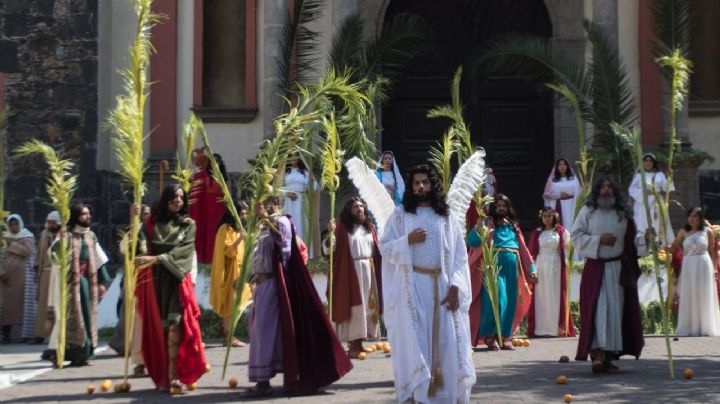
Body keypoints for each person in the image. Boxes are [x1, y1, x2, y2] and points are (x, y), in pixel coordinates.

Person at [379, 164, 475, 403]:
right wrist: (407, 240)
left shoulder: (446, 216)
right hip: (414, 288)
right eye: (416, 183)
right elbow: (385, 247)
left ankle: (445, 394)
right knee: (417, 340)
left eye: (425, 182)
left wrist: (456, 286)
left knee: (447, 341)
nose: (421, 187)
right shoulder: (401, 215)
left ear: (433, 185)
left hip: (443, 285)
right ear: (411, 187)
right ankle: (420, 393)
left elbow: (460, 256)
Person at [245, 195, 352, 397]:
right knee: (260, 331)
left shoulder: (283, 221)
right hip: (260, 286)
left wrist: (266, 219)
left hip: (275, 286)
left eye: (269, 203)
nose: (264, 206)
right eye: (260, 203)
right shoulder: (259, 227)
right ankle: (266, 377)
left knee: (264, 333)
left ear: (277, 204)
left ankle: (263, 382)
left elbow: (284, 244)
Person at [572, 175, 649, 374]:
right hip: (595, 270)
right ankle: (596, 355)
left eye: (610, 186)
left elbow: (633, 240)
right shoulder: (588, 211)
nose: (606, 189)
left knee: (615, 313)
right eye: (603, 186)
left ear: (615, 190)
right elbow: (576, 236)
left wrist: (646, 238)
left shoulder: (623, 213)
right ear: (597, 190)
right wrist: (598, 240)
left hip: (617, 271)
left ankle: (608, 357)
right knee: (598, 312)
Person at [134, 184, 207, 392]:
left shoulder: (188, 225)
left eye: (181, 197)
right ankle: (164, 376)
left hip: (176, 280)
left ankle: (174, 376)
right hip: (155, 282)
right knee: (161, 328)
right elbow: (141, 246)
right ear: (165, 199)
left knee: (176, 325)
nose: (178, 201)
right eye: (174, 197)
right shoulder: (150, 223)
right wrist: (135, 223)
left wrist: (155, 258)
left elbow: (183, 253)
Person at [42, 204, 110, 366]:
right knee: (73, 320)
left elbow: (99, 259)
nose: (88, 217)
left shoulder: (91, 235)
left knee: (87, 317)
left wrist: (101, 281)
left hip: (88, 281)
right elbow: (53, 255)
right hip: (70, 284)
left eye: (88, 214)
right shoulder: (67, 235)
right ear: (75, 216)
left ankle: (84, 354)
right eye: (84, 215)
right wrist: (61, 241)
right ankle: (70, 353)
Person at [467, 194, 536, 350]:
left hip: (512, 268)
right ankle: (490, 336)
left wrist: (531, 268)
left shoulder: (513, 226)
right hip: (493, 266)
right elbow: (471, 241)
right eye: (498, 205)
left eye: (504, 205)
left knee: (510, 302)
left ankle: (505, 336)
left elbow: (523, 249)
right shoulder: (486, 223)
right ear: (493, 208)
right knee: (497, 300)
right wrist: (478, 228)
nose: (501, 208)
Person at [326, 197, 382, 358]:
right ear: (349, 210)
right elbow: (330, 249)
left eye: (361, 206)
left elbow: (377, 248)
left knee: (368, 307)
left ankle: (360, 342)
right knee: (356, 306)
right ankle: (353, 344)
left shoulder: (370, 228)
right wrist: (330, 234)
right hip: (352, 271)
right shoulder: (342, 228)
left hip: (369, 270)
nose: (359, 209)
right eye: (355, 206)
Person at [671, 207, 720, 336]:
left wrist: (715, 268)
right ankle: (689, 326)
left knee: (703, 293)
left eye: (695, 216)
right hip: (688, 266)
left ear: (700, 218)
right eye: (690, 216)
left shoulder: (708, 232)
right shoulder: (683, 232)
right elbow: (673, 247)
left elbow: (712, 251)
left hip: (704, 264)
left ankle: (705, 326)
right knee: (689, 293)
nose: (691, 219)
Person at [527, 207, 575, 337]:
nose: (547, 219)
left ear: (555, 217)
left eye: (549, 216)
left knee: (555, 295)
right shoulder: (536, 233)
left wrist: (566, 262)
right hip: (541, 264)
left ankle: (556, 329)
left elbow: (568, 248)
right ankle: (540, 329)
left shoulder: (561, 231)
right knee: (541, 296)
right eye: (544, 216)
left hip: (556, 266)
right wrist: (532, 269)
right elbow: (531, 252)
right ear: (541, 217)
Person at [210, 201, 247, 347]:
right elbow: (227, 252)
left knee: (236, 306)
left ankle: (227, 332)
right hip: (229, 275)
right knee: (230, 307)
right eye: (242, 214)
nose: (244, 217)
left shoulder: (239, 229)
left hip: (240, 274)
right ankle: (228, 337)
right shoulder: (224, 229)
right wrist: (240, 239)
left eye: (245, 214)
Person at [189, 148, 228, 264]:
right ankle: (205, 257)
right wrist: (199, 154)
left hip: (219, 209)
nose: (215, 164)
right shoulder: (203, 174)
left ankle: (216, 256)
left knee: (216, 233)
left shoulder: (224, 178)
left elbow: (228, 197)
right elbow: (198, 164)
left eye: (217, 161)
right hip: (206, 209)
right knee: (206, 232)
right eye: (213, 161)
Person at [1, 214, 36, 344]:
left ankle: (26, 334)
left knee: (23, 307)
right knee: (7, 308)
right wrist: (2, 273)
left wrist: (12, 245)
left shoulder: (27, 236)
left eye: (16, 224)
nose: (14, 227)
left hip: (23, 278)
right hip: (6, 278)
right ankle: (6, 335)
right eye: (11, 225)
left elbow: (28, 251)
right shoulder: (4, 237)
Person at [628, 152, 675, 246]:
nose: (648, 163)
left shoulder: (660, 175)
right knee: (643, 223)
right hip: (642, 204)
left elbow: (666, 188)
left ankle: (659, 246)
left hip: (657, 203)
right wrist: (643, 193)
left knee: (658, 223)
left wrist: (669, 177)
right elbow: (632, 190)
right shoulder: (639, 176)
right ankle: (643, 245)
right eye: (646, 161)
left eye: (650, 161)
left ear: (654, 163)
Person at [33, 211, 61, 344]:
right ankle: (40, 334)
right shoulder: (44, 234)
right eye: (49, 222)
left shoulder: (64, 235)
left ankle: (57, 335)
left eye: (53, 222)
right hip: (46, 272)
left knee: (58, 304)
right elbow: (39, 255)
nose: (51, 224)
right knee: (43, 304)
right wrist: (37, 272)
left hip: (59, 272)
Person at [543, 158, 581, 234]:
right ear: (557, 167)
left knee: (570, 224)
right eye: (559, 165)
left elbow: (578, 193)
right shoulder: (552, 180)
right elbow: (547, 195)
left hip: (571, 205)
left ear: (567, 166)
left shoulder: (574, 179)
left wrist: (577, 206)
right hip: (557, 204)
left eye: (564, 164)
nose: (562, 166)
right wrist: (558, 195)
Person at [282, 157, 311, 243]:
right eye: (291, 156)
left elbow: (314, 187)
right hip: (289, 202)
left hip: (301, 201)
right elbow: (280, 187)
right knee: (290, 224)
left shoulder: (305, 172)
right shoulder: (286, 172)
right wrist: (287, 193)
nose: (293, 158)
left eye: (295, 156)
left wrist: (311, 182)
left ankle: (302, 247)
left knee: (301, 225)